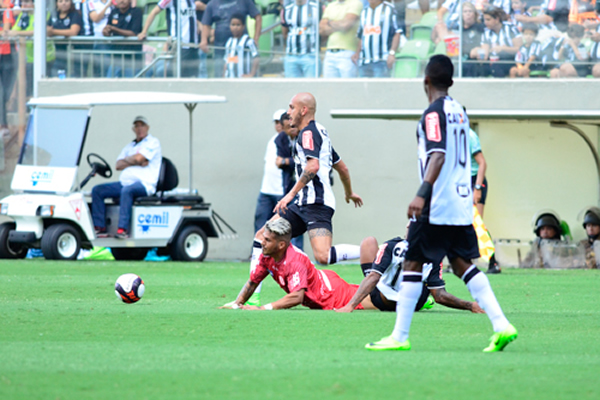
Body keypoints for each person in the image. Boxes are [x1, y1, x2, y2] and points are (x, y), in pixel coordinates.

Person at [366, 55, 517, 353]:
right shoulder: (459, 111)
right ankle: (501, 325)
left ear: (425, 81)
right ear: (450, 81)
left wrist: (422, 193)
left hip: (437, 204)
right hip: (460, 204)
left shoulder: (433, 114)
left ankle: (400, 336)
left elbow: (437, 155)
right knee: (462, 266)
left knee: (411, 263)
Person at [231, 92, 364, 308]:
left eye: (292, 107)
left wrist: (290, 194)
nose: (288, 112)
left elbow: (313, 166)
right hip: (302, 203)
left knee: (323, 255)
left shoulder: (308, 134)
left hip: (317, 204)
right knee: (261, 236)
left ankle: (372, 253)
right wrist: (349, 192)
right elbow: (342, 167)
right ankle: (251, 297)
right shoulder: (320, 132)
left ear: (303, 110)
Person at [224, 219, 375, 311]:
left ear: (281, 245)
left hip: (333, 294)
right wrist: (237, 305)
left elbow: (297, 296)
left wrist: (262, 308)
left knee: (378, 302)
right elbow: (253, 281)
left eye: (268, 240)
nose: (262, 242)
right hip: (324, 279)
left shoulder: (295, 261)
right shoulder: (267, 255)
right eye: (264, 238)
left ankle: (380, 257)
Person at [335, 235, 485, 314]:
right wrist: (470, 305)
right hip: (415, 303)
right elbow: (439, 296)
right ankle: (422, 292)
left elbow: (374, 276)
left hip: (383, 301)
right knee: (432, 285)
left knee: (369, 243)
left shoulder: (392, 245)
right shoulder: (435, 255)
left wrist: (350, 306)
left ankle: (370, 292)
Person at [91, 116, 162, 239]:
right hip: (125, 183)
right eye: (137, 126)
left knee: (127, 191)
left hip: (145, 184)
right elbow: (118, 165)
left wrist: (132, 160)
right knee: (97, 190)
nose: (140, 128)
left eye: (142, 125)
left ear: (147, 127)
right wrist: (136, 161)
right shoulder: (130, 146)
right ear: (133, 129)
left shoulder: (153, 142)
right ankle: (99, 227)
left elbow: (138, 158)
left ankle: (123, 229)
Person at [254, 109, 302, 250]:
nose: (278, 126)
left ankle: (297, 254)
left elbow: (301, 163)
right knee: (262, 223)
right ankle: (259, 253)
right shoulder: (278, 140)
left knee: (293, 225)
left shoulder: (299, 139)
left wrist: (286, 161)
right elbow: (276, 163)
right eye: (276, 123)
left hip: (287, 190)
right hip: (268, 189)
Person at [6, 0, 56, 97]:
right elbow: (15, 30)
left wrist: (19, 33)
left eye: (27, 2)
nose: (24, 5)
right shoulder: (23, 15)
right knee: (28, 89)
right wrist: (9, 33)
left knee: (43, 88)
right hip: (28, 58)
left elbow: (42, 30)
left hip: (45, 57)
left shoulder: (44, 14)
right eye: (22, 3)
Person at [138, 0, 199, 78]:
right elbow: (153, 12)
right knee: (179, 77)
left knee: (193, 78)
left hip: (193, 46)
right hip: (179, 47)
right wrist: (144, 31)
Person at [200, 0, 261, 78]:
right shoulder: (212, 4)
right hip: (220, 49)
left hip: (243, 50)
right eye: (233, 25)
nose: (235, 27)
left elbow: (258, 16)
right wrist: (204, 40)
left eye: (238, 25)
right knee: (220, 80)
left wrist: (256, 39)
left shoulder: (244, 1)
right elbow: (206, 24)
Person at [468, 128, 500, 274]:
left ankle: (493, 263)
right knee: (459, 223)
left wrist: (477, 187)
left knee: (477, 223)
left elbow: (482, 163)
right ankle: (461, 261)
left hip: (475, 181)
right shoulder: (450, 135)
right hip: (462, 182)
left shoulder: (469, 135)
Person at [352, 0, 402, 78]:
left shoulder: (389, 9)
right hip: (365, 60)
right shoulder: (364, 12)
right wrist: (357, 53)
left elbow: (397, 32)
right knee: (363, 89)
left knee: (379, 89)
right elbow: (362, 36)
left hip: (382, 60)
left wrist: (392, 53)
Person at [319, 0, 363, 78]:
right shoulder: (331, 5)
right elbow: (321, 29)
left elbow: (345, 25)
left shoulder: (355, 3)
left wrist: (329, 22)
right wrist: (339, 25)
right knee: (329, 87)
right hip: (329, 52)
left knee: (348, 87)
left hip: (348, 53)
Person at [476, 6, 523, 78]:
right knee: (477, 67)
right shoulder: (486, 32)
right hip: (493, 60)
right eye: (484, 20)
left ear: (497, 19)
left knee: (497, 67)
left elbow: (519, 49)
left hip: (510, 60)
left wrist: (503, 49)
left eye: (488, 20)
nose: (485, 22)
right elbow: (485, 51)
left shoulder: (510, 28)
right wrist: (480, 53)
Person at [103, 0, 143, 78]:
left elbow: (134, 33)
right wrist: (105, 31)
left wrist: (115, 29)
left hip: (132, 59)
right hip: (116, 58)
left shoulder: (136, 12)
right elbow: (107, 30)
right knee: (110, 85)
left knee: (131, 86)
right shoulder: (113, 12)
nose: (122, 1)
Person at [281, 0, 319, 78]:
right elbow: (285, 32)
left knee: (311, 87)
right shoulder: (287, 9)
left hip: (311, 55)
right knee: (292, 88)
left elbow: (321, 31)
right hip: (291, 56)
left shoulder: (316, 8)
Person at [47, 0, 82, 77]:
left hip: (74, 52)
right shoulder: (54, 14)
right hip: (58, 53)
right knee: (57, 75)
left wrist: (53, 31)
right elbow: (47, 30)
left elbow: (73, 32)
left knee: (75, 75)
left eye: (66, 1)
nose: (64, 3)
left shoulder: (75, 14)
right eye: (60, 1)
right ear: (56, 3)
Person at [0, 0, 17, 137]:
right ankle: (2, 124)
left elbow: (6, 30)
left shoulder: (6, 9)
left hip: (8, 54)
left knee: (6, 93)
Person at [87, 0, 112, 77]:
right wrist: (107, 6)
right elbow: (96, 19)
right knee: (101, 69)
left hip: (112, 39)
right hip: (99, 40)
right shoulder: (92, 2)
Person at [460, 2, 486, 77]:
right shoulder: (458, 29)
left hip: (474, 60)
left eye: (470, 11)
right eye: (465, 11)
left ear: (474, 14)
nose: (468, 14)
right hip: (460, 58)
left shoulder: (480, 27)